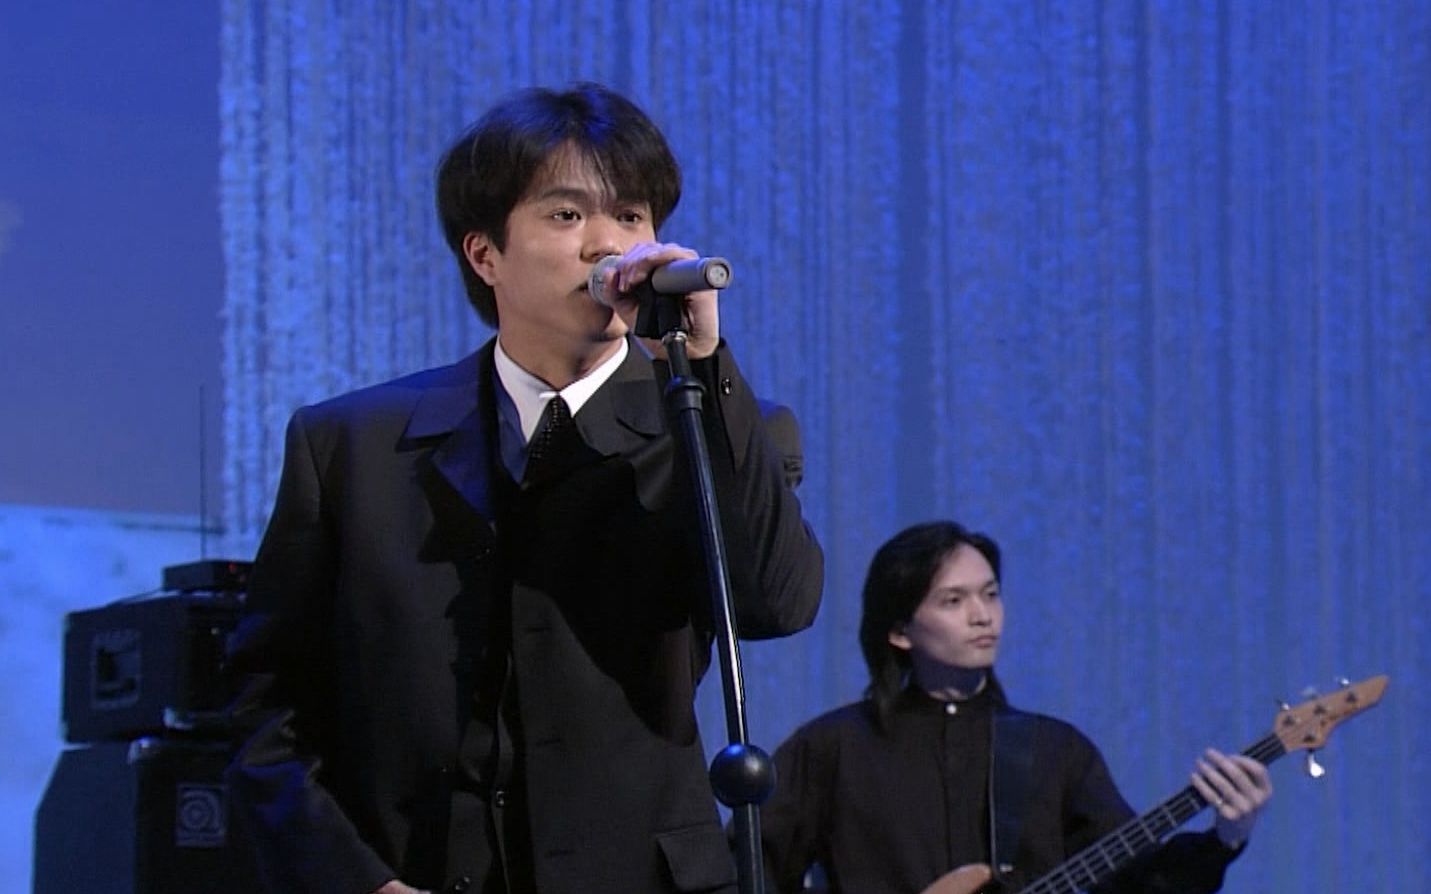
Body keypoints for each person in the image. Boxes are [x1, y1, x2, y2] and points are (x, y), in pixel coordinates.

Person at [224, 83, 824, 894]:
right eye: (567, 215)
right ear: (485, 255)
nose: (607, 245)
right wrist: (355, 882)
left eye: (632, 216)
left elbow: (776, 604)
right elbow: (269, 712)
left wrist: (705, 368)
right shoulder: (352, 446)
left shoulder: (713, 422)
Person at [759, 521, 1272, 893]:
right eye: (954, 601)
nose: (982, 616)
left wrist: (1225, 838)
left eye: (991, 594)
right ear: (899, 631)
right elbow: (751, 869)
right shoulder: (833, 748)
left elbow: (1140, 882)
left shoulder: (1055, 751)